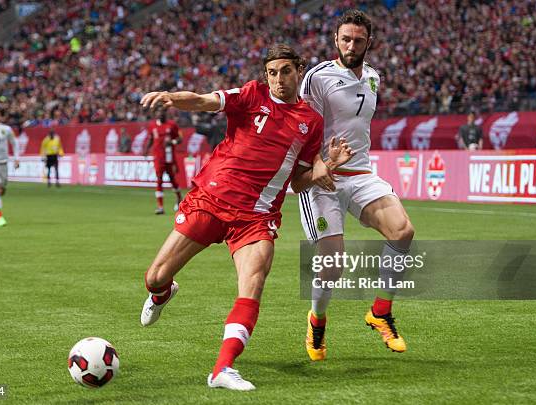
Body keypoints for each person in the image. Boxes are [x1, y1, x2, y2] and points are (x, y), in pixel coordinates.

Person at [139, 44, 353, 391]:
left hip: (256, 217)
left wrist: (326, 166)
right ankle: (162, 293)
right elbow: (205, 100)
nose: (279, 79)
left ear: (299, 70)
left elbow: (298, 182)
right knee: (155, 277)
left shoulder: (310, 122)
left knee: (253, 285)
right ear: (264, 75)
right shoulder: (252, 96)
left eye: (285, 71)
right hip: (209, 200)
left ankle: (222, 369)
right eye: (272, 72)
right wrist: (172, 97)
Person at [297, 10, 415, 361]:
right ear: (336, 40)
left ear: (369, 43)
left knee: (403, 231)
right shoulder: (318, 76)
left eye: (358, 40)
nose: (351, 45)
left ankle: (380, 312)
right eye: (345, 39)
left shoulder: (374, 77)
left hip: (362, 174)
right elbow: (301, 125)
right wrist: (319, 164)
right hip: (324, 178)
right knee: (333, 264)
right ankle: (317, 320)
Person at [144, 109, 183, 214]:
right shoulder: (152, 126)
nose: (161, 116)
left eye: (162, 114)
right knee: (159, 179)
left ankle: (179, 198)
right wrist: (146, 150)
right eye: (159, 114)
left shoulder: (172, 125)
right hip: (158, 157)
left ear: (166, 114)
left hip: (169, 157)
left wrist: (173, 141)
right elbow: (151, 139)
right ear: (156, 115)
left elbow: (180, 139)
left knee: (172, 179)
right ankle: (160, 207)